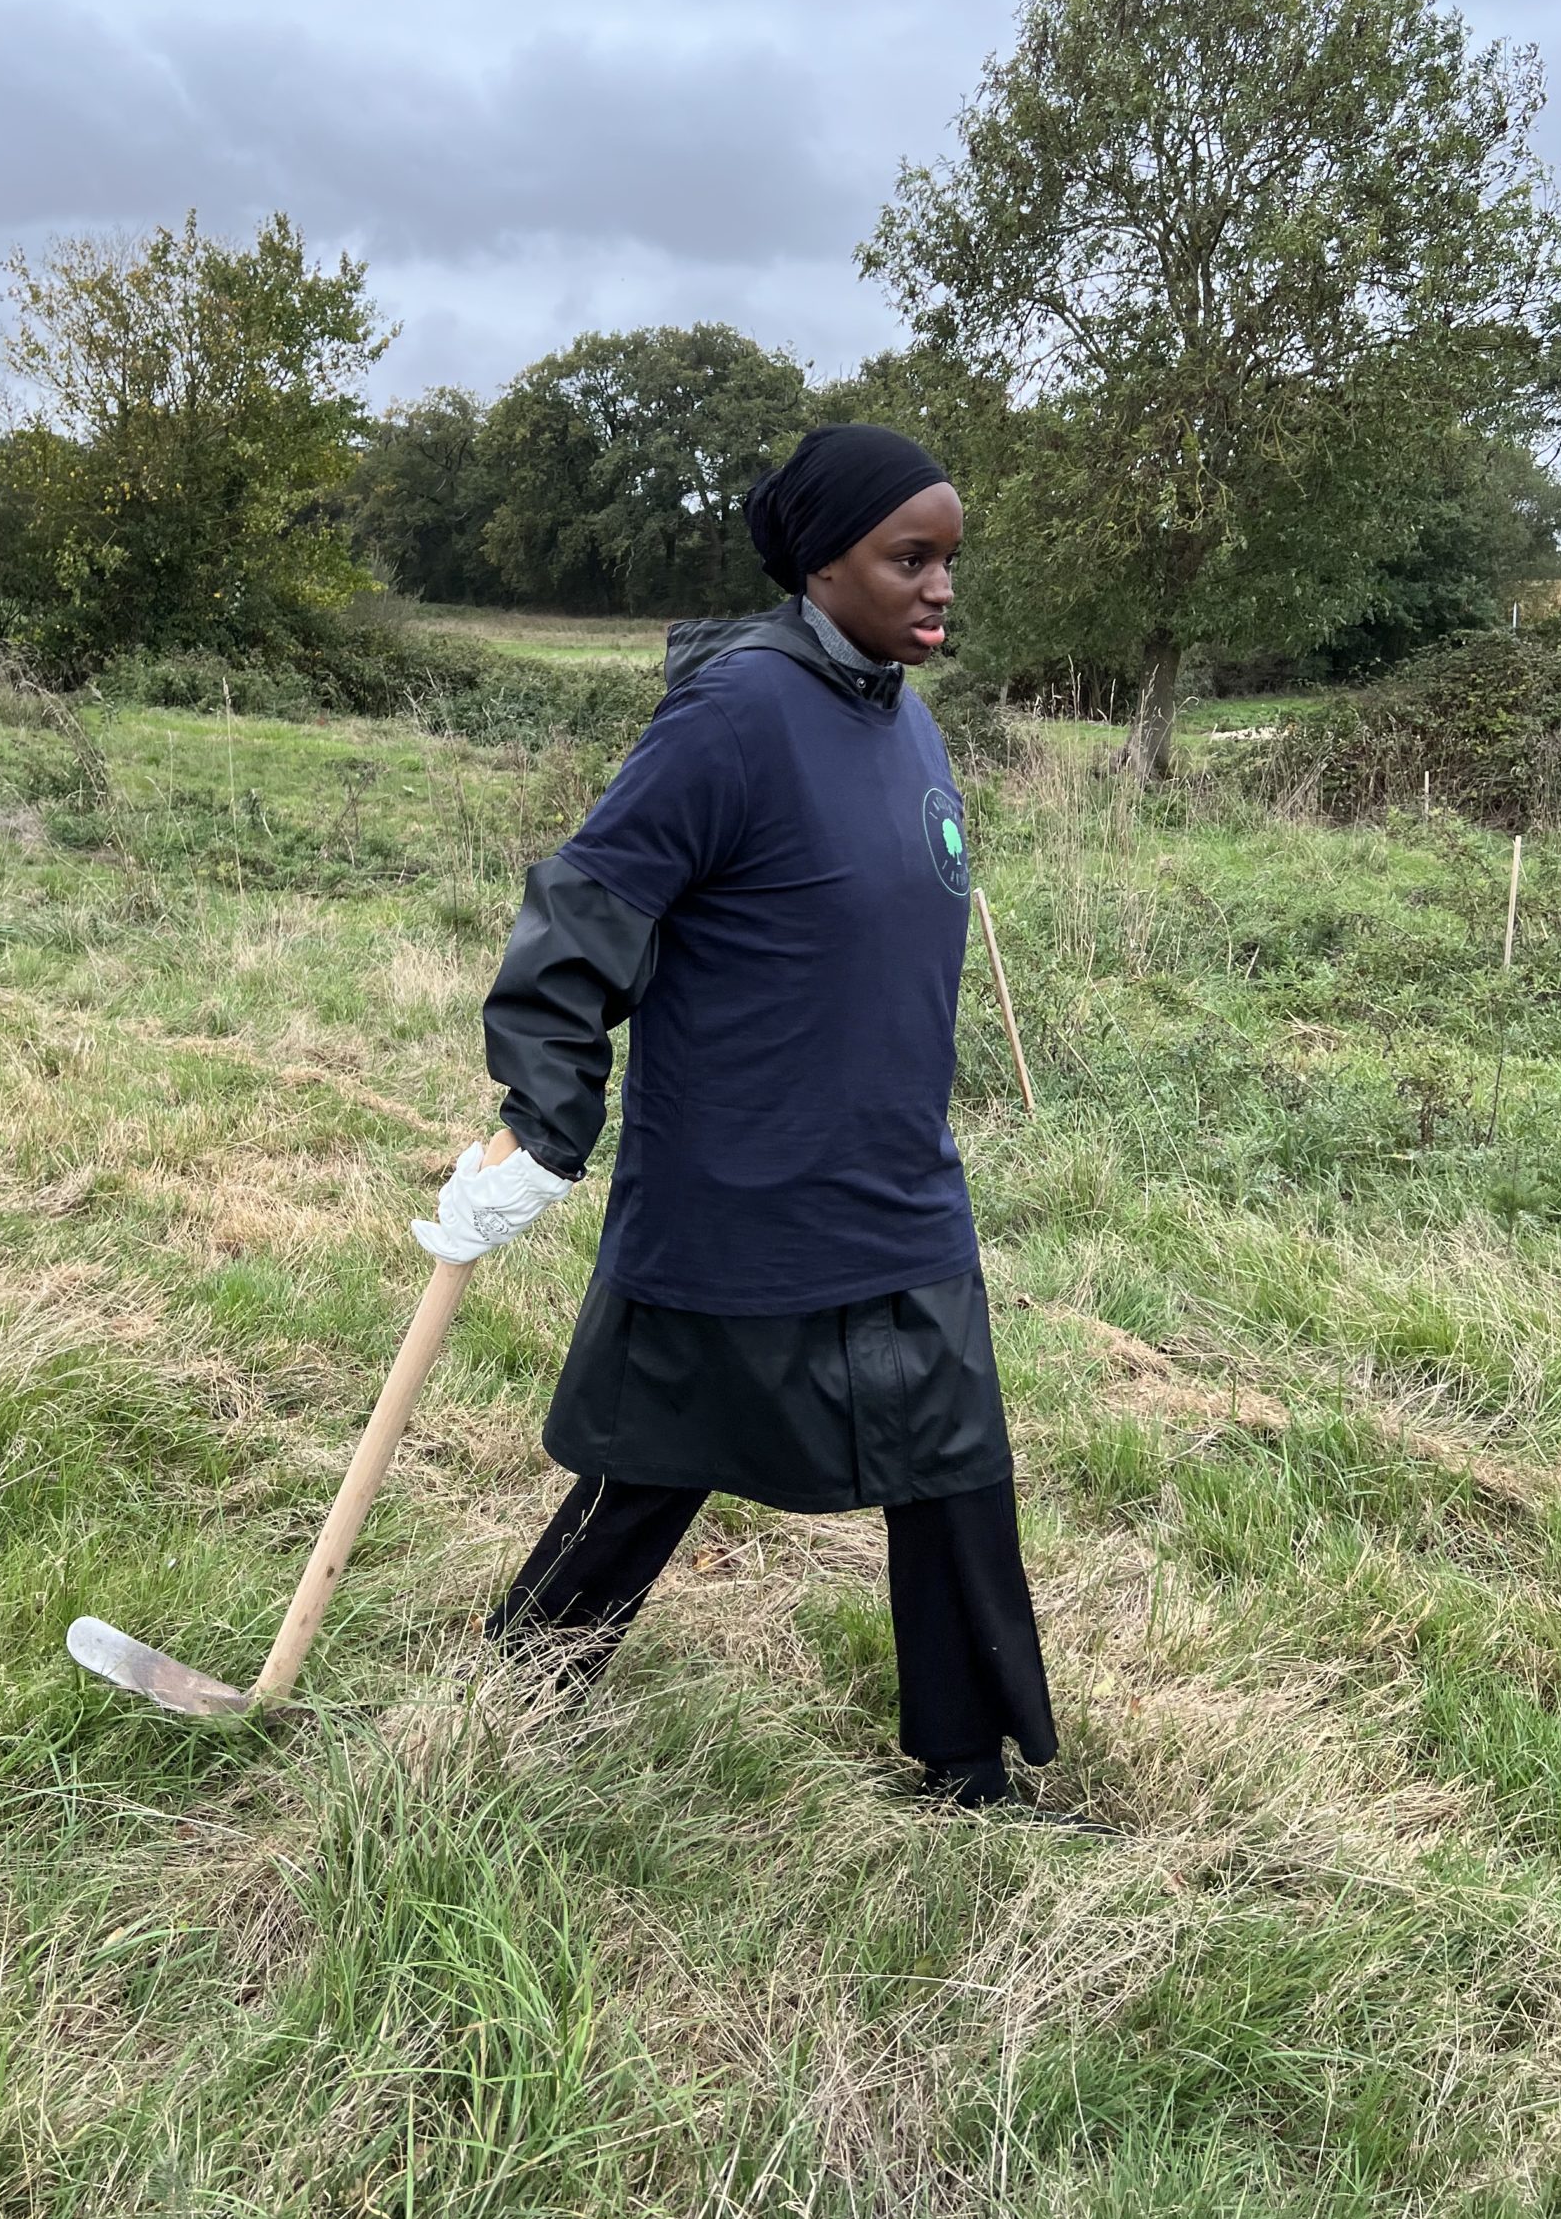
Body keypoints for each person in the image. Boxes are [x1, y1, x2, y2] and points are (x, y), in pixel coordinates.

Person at [414, 423, 1095, 1827]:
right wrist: (545, 1122)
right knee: (655, 1470)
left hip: (896, 1184)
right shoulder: (732, 716)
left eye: (950, 561)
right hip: (740, 1191)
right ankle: (514, 1695)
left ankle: (970, 1777)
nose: (939, 589)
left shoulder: (903, 714)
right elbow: (582, 915)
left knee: (954, 1463)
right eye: (911, 559)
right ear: (820, 561)